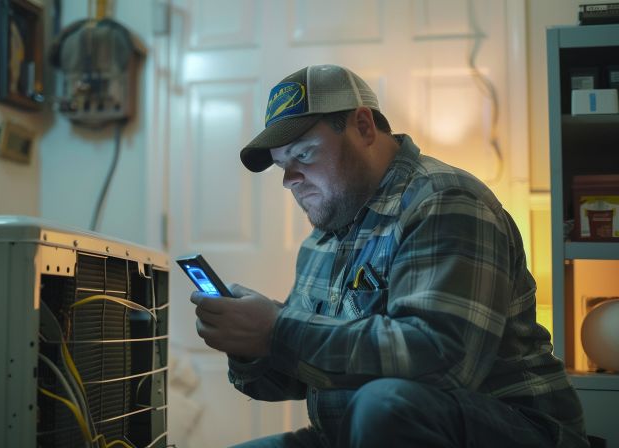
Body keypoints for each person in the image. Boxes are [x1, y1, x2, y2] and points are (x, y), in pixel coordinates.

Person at [189, 64, 589, 448]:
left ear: (363, 127)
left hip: (505, 429)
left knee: (384, 406)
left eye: (304, 155)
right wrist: (249, 342)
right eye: (282, 165)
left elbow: (441, 365)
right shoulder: (323, 239)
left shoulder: (445, 201)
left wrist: (279, 331)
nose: (289, 179)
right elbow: (291, 378)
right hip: (353, 434)